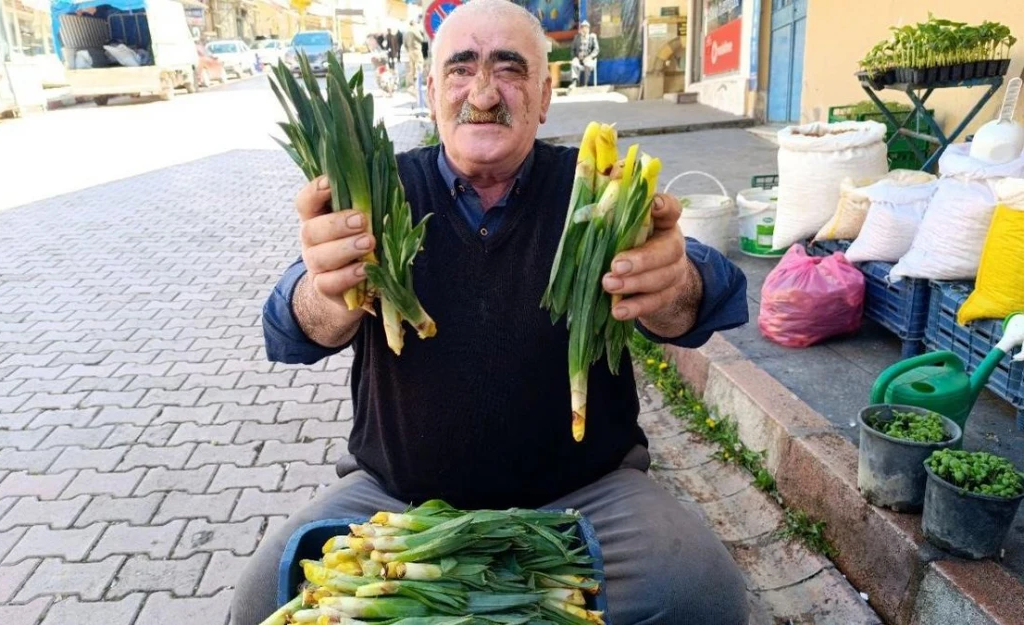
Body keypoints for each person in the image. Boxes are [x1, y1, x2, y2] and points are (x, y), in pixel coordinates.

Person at [233, 1, 750, 624]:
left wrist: (673, 284)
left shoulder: (597, 186)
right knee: (265, 594)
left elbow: (714, 296)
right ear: (431, 91)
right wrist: (326, 289)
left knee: (700, 592)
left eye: (509, 69)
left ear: (544, 95)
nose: (482, 92)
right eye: (460, 68)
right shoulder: (373, 190)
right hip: (394, 498)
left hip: (588, 496)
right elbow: (286, 329)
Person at [571, 19, 599, 87]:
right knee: (574, 63)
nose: (584, 29)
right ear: (581, 29)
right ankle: (575, 82)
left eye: (586, 28)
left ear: (588, 29)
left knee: (587, 63)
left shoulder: (592, 37)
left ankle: (585, 84)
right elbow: (572, 49)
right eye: (583, 27)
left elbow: (596, 49)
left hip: (588, 59)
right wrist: (574, 57)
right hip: (579, 59)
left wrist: (590, 57)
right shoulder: (577, 37)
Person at [402, 18, 427, 91]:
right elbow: (421, 39)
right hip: (416, 50)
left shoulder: (406, 32)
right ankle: (417, 83)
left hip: (410, 51)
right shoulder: (414, 30)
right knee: (419, 65)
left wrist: (408, 50)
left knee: (412, 68)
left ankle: (411, 84)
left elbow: (404, 43)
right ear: (414, 23)